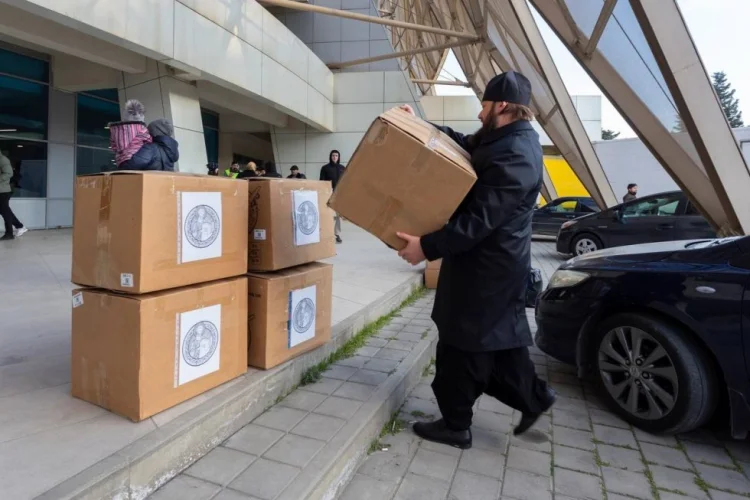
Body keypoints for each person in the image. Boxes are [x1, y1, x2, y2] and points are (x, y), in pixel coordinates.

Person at [395, 71, 556, 449]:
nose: (479, 112)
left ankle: (456, 424)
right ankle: (533, 397)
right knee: (497, 342)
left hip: (489, 271)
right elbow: (462, 143)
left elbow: (478, 222)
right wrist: (419, 123)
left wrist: (426, 247)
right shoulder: (501, 138)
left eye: (484, 104)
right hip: (486, 267)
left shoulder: (517, 154)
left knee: (459, 345)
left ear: (501, 105)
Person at [109, 99, 152, 168]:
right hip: (137, 159)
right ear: (139, 115)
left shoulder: (115, 130)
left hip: (121, 162)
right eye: (142, 114)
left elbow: (113, 147)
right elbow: (149, 141)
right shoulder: (142, 129)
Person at [320, 150, 345, 243]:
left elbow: (345, 182)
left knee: (338, 216)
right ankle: (327, 233)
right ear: (330, 156)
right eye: (333, 155)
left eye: (336, 155)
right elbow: (321, 182)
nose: (335, 157)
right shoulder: (325, 168)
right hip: (328, 194)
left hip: (339, 195)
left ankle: (337, 234)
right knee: (329, 215)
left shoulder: (342, 168)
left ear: (339, 157)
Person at [0, 150, 27, 240]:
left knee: (5, 212)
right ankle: (19, 226)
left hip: (3, 191)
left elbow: (9, 173)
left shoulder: (3, 160)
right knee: (5, 211)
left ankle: (9, 233)